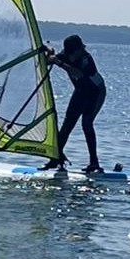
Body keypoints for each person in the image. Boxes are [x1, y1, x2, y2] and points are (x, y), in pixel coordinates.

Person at [42, 34, 106, 173]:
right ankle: (56, 158)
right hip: (80, 92)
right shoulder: (66, 54)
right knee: (67, 125)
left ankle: (94, 163)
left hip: (96, 93)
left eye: (81, 48)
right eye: (78, 49)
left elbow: (78, 74)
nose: (82, 50)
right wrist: (47, 50)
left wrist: (58, 62)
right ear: (71, 51)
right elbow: (48, 61)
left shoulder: (86, 59)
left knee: (86, 123)